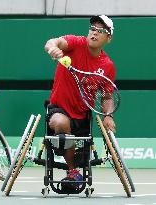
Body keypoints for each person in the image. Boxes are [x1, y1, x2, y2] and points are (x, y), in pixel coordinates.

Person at [44, 15, 116, 184]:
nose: (94, 33)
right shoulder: (76, 43)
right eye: (92, 29)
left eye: (100, 31)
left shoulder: (107, 66)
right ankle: (72, 171)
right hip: (58, 109)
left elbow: (107, 95)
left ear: (108, 38)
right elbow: (53, 42)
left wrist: (109, 115)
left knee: (77, 132)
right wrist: (52, 48)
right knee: (61, 124)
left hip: (83, 116)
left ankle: (76, 162)